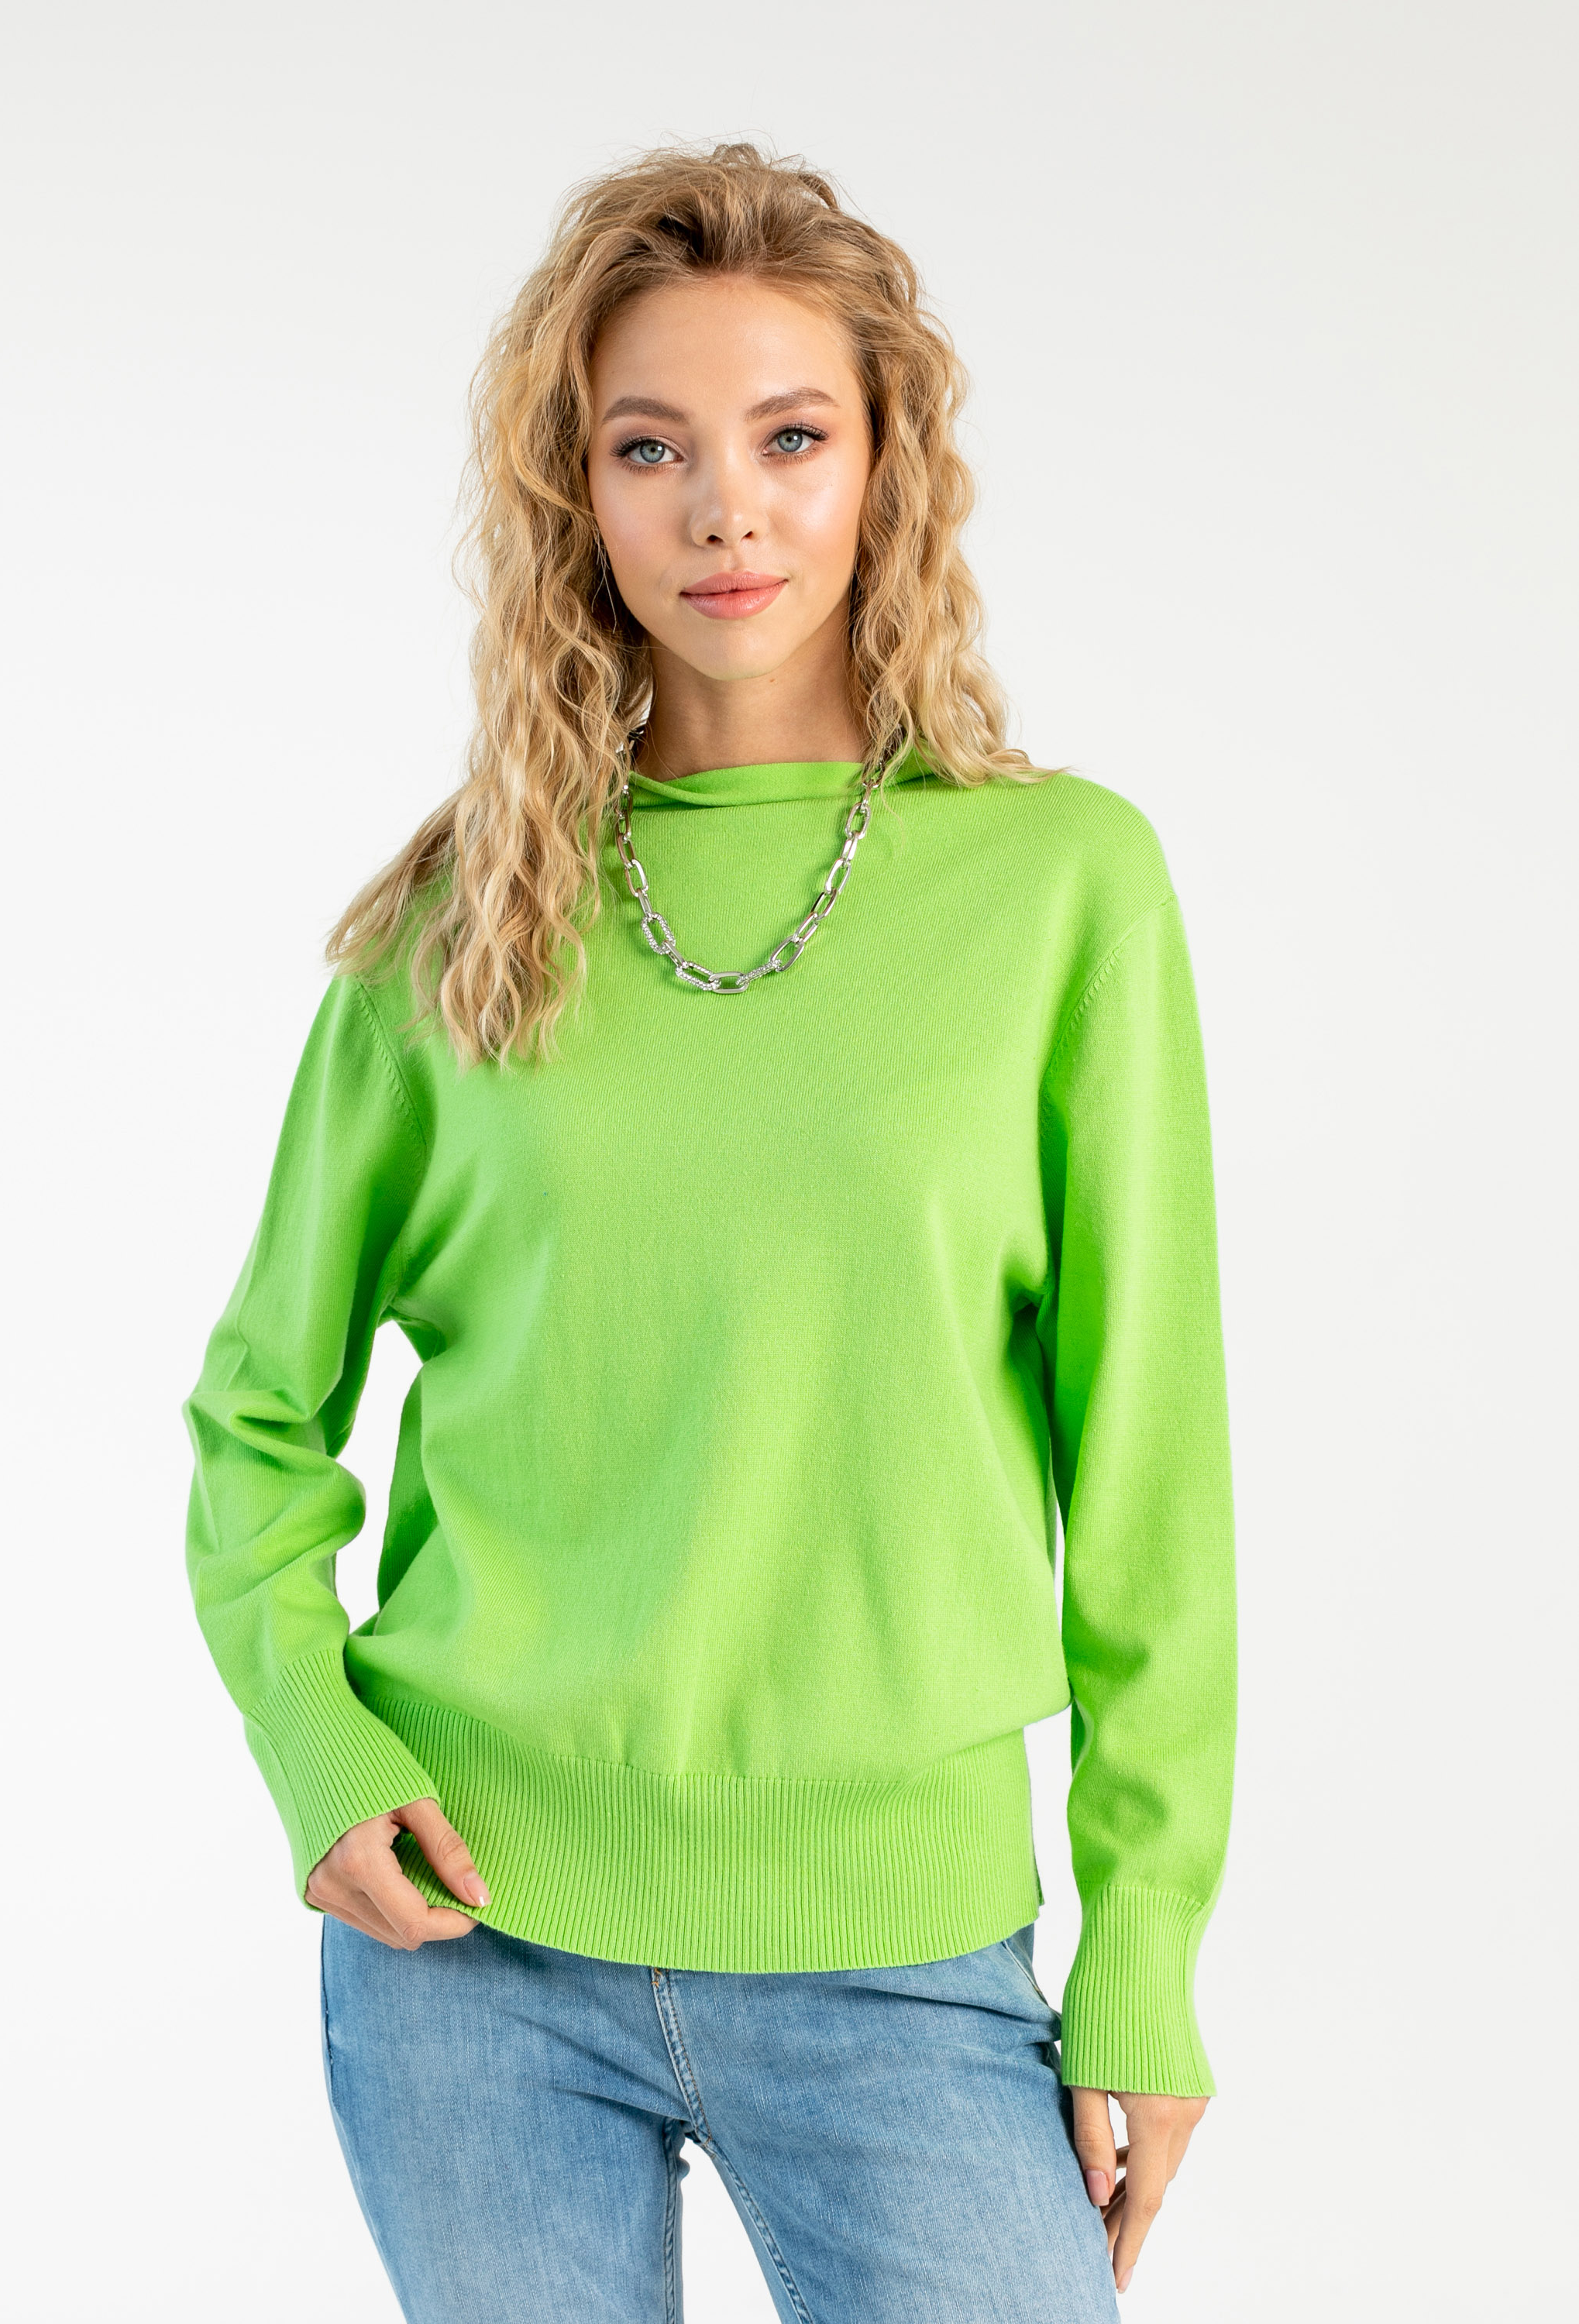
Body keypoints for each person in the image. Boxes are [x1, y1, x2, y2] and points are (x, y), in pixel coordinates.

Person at [182, 139, 1237, 2324]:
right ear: (575, 494)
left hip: (900, 1954)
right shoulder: (462, 923)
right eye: (648, 447)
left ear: (887, 468)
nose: (724, 512)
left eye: (790, 438)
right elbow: (257, 1412)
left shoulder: (1059, 891)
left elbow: (1147, 1464)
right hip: (469, 1942)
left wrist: (1144, 1945)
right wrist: (317, 1748)